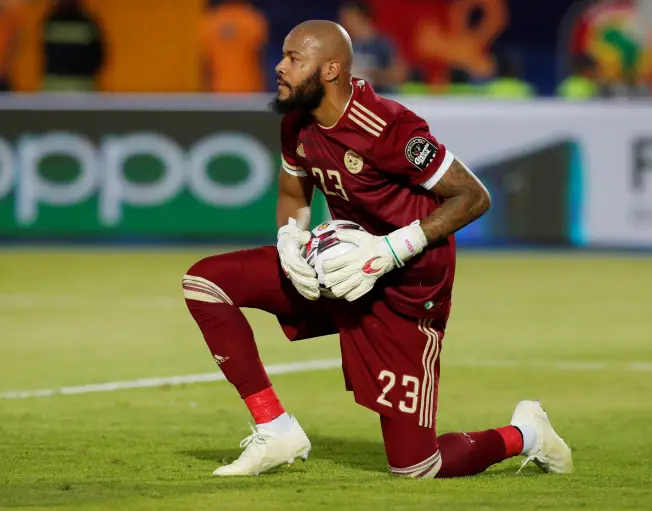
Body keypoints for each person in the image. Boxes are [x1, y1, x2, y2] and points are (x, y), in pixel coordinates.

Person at [183, 20, 573, 478]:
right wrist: (290, 240)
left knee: (417, 467)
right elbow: (293, 193)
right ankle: (276, 429)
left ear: (330, 70)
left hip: (406, 290)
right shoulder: (297, 121)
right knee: (206, 282)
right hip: (340, 273)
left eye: (293, 58)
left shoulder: (389, 127)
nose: (278, 66)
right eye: (283, 55)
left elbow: (473, 195)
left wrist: (390, 249)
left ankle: (525, 433)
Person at [199, 0, 268, 93]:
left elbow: (206, 64)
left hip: (218, 91)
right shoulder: (253, 20)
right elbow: (261, 60)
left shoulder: (210, 23)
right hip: (250, 91)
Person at [338, 0, 405, 94]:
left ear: (362, 18)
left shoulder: (383, 44)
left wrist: (372, 75)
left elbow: (400, 75)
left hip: (381, 96)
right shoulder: (345, 45)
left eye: (348, 18)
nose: (344, 22)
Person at [42, 0, 105, 92]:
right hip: (79, 90)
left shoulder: (50, 21)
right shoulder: (88, 23)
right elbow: (99, 57)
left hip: (59, 90)